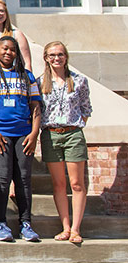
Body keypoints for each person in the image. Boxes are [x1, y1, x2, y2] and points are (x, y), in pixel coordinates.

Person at [0, 36, 42, 242]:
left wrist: (34, 133)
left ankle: (26, 223)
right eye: (4, 49)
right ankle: (0, 223)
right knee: (2, 179)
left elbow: (36, 106)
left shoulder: (26, 76)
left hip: (23, 134)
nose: (8, 53)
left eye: (12, 50)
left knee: (23, 179)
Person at [39, 41, 92, 244]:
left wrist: (74, 126)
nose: (56, 58)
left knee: (77, 183)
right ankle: (66, 227)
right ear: (46, 58)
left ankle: (77, 229)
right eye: (52, 55)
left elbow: (86, 109)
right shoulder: (39, 82)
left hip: (72, 133)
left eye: (60, 54)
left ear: (66, 57)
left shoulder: (79, 81)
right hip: (51, 135)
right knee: (59, 184)